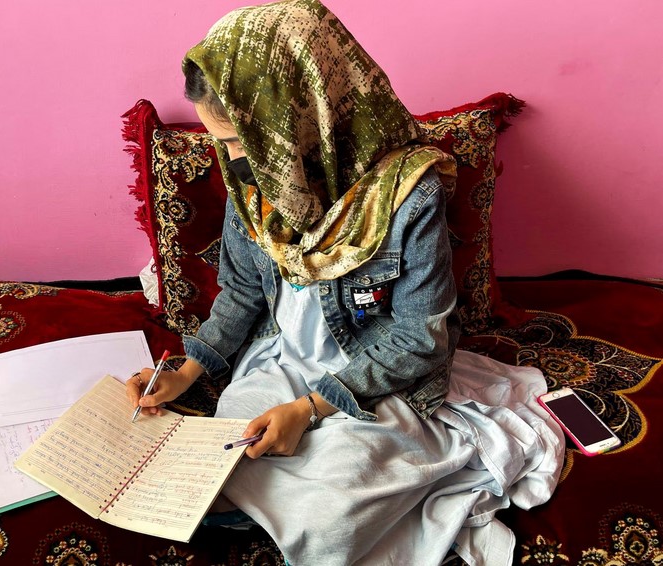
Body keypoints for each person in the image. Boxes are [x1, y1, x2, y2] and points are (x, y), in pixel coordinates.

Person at [128, 1, 565, 564]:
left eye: (242, 143)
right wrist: (187, 371)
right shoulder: (254, 187)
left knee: (328, 516)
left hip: (382, 381)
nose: (231, 161)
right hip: (278, 360)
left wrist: (312, 408)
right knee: (218, 463)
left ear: (300, 121)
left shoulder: (409, 196)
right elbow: (240, 294)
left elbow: (419, 340)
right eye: (223, 144)